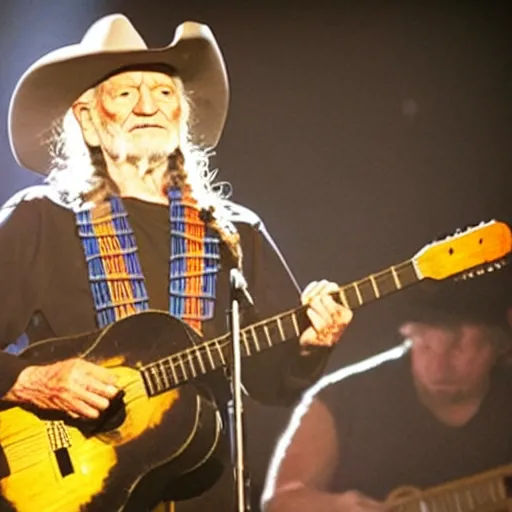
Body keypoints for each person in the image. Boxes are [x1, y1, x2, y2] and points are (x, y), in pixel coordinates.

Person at [0, 14, 352, 512]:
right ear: (86, 118)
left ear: (183, 114)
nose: (148, 107)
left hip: (204, 493)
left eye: (165, 93)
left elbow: (273, 381)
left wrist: (312, 345)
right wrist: (35, 381)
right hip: (71, 488)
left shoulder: (234, 232)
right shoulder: (41, 220)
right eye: (125, 93)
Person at [261, 271, 512, 512]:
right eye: (424, 345)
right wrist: (332, 508)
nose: (439, 367)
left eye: (459, 347)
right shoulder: (341, 401)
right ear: (409, 335)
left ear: (499, 344)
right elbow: (282, 501)